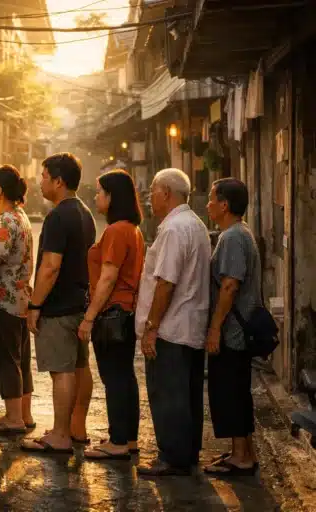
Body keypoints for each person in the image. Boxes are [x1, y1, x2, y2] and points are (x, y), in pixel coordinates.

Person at [135, 168, 211, 477]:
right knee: (187, 393)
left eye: (152, 191)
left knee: (169, 394)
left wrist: (151, 328)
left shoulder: (174, 229)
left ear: (166, 193)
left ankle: (173, 457)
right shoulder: (195, 224)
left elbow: (165, 283)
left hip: (172, 327)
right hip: (189, 325)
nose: (149, 198)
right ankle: (186, 453)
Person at [22, 153, 96, 453]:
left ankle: (61, 435)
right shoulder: (84, 212)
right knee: (79, 366)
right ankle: (76, 427)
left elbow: (50, 266)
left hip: (60, 306)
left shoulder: (57, 216)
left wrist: (35, 306)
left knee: (61, 371)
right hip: (79, 303)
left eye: (43, 175)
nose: (40, 181)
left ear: (58, 181)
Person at [79, 170, 145, 460]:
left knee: (115, 377)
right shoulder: (132, 229)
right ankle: (127, 437)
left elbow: (108, 277)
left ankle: (118, 441)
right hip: (126, 311)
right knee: (124, 375)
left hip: (112, 312)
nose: (96, 197)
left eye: (99, 192)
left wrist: (89, 316)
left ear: (111, 196)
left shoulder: (117, 230)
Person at [203, 178, 261, 476]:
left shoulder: (233, 237)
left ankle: (241, 456)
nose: (208, 204)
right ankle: (243, 451)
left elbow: (229, 286)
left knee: (230, 390)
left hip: (233, 332)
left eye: (212, 199)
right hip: (236, 329)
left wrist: (214, 328)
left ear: (224, 205)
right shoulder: (237, 233)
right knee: (237, 389)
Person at [0, 165, 35, 434]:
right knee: (20, 357)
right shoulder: (20, 216)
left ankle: (13, 418)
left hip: (5, 299)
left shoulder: (5, 221)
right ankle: (23, 415)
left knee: (7, 358)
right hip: (21, 298)